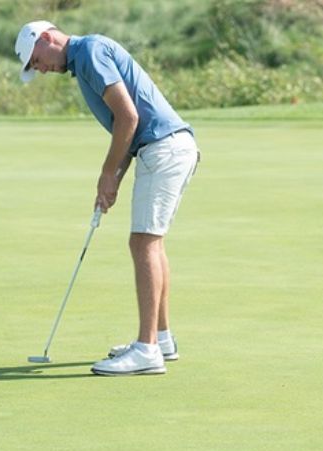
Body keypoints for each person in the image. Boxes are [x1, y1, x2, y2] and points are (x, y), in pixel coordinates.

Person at [15, 21, 199, 376]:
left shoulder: (89, 52)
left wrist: (106, 172)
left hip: (164, 148)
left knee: (143, 243)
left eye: (36, 60)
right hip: (166, 148)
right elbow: (126, 129)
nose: (40, 69)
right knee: (151, 243)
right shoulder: (84, 59)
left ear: (47, 38)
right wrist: (112, 181)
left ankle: (147, 350)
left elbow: (128, 118)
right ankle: (161, 339)